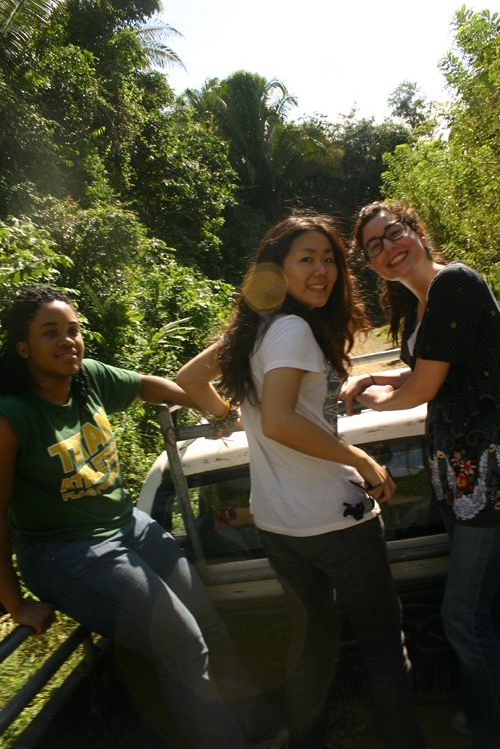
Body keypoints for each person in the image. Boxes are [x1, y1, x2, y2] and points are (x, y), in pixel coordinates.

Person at [176, 214, 426, 749]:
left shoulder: (251, 330)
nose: (322, 271)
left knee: (311, 645)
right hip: (334, 519)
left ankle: (307, 740)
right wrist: (360, 459)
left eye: (329, 258)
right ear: (277, 268)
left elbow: (190, 381)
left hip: (278, 525)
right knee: (383, 643)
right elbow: (282, 422)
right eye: (306, 259)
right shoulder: (291, 330)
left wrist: (230, 414)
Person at [0, 286, 283, 749]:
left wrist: (209, 406)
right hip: (64, 551)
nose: (67, 340)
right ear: (23, 348)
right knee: (182, 646)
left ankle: (256, 722)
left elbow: (146, 385)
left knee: (210, 625)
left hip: (125, 526)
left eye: (72, 330)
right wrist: (15, 603)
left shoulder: (87, 378)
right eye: (50, 333)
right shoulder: (12, 417)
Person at [343, 201, 500, 749]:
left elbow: (423, 389)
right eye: (374, 247)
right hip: (459, 477)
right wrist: (380, 374)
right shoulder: (418, 304)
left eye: (394, 234)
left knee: (462, 617)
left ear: (416, 231)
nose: (388, 249)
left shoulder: (455, 283)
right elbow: (427, 363)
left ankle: (489, 728)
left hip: (489, 477)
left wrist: (366, 404)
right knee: (486, 607)